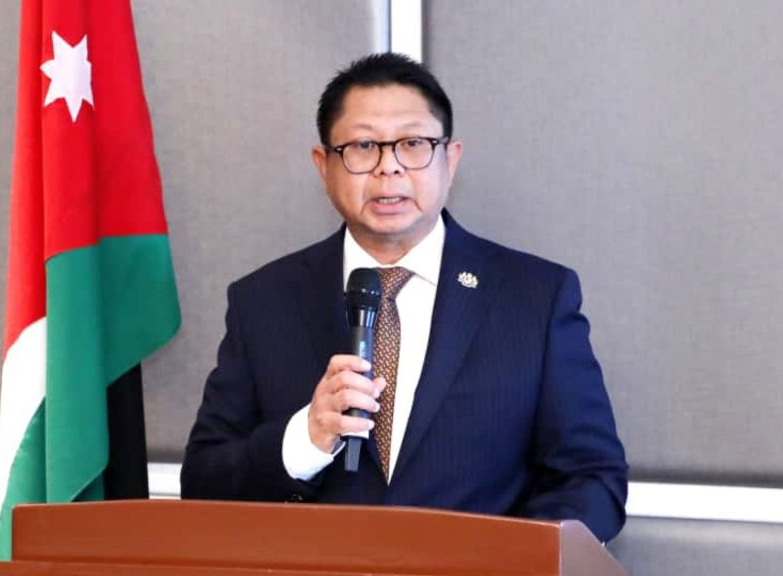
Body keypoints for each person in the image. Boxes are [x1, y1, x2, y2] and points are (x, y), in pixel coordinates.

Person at [181, 52, 628, 542]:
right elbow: (203, 483)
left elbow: (592, 479)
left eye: (413, 144)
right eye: (363, 146)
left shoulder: (534, 298)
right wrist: (304, 439)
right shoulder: (264, 301)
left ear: (450, 159)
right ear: (324, 167)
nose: (388, 168)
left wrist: (509, 558)